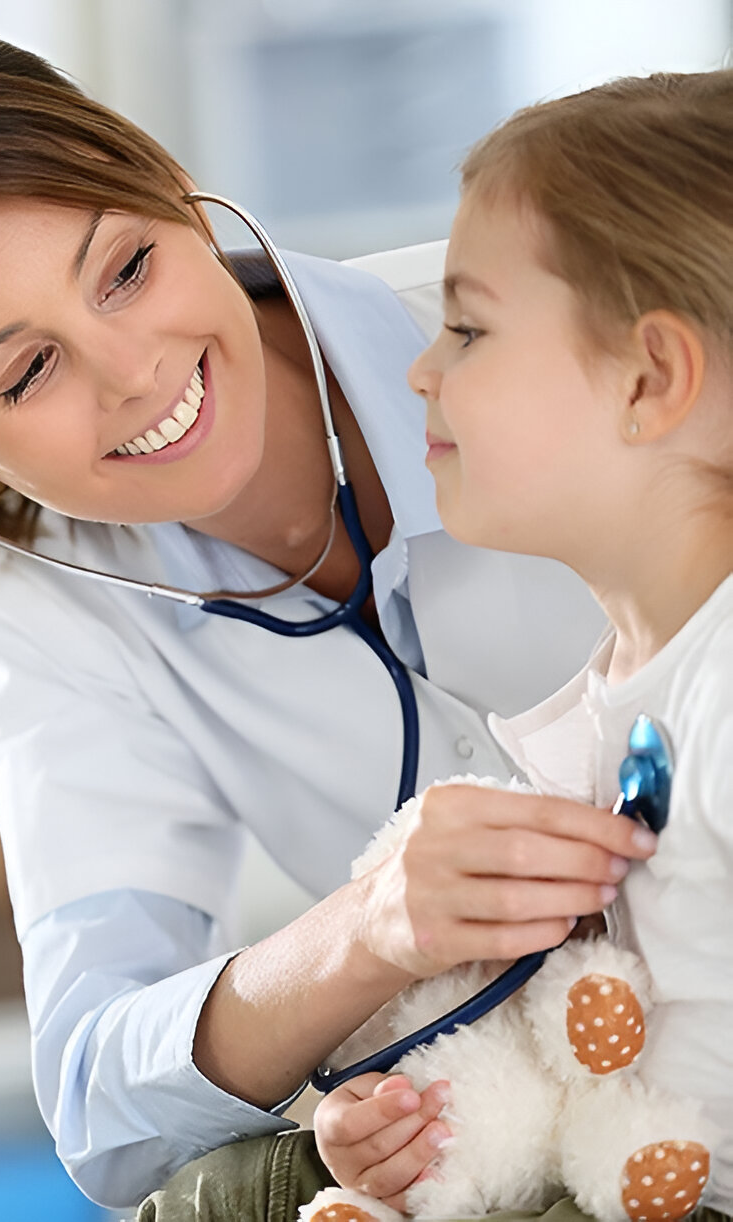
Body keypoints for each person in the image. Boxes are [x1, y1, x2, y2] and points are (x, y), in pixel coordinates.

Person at [0, 24, 657, 1211]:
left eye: (125, 269)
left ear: (169, 189)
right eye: (26, 373)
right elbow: (96, 1099)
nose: (133, 373)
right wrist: (367, 935)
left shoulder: (537, 310)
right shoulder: (50, 607)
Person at [142, 69, 733, 1222]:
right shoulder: (615, 692)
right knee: (225, 1191)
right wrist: (415, 1128)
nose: (420, 367)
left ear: (648, 379)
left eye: (466, 328)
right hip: (620, 1165)